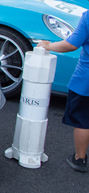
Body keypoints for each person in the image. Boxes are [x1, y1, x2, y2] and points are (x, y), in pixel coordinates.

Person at [38, 10, 89, 173]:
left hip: (85, 81)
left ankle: (80, 158)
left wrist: (48, 46)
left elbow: (71, 44)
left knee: (82, 120)